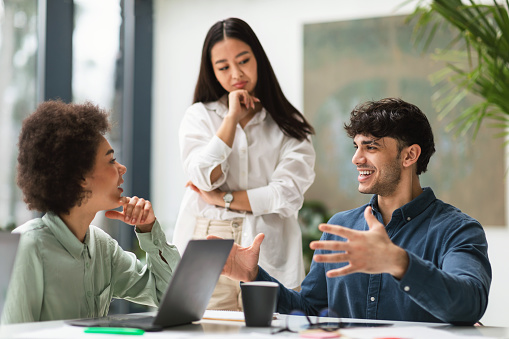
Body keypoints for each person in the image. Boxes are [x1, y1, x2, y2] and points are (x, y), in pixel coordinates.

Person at [210, 98, 492, 325]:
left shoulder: (457, 230)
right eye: (356, 147)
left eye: (371, 147)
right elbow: (310, 309)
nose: (357, 159)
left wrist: (399, 263)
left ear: (409, 155)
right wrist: (253, 276)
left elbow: (469, 304)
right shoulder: (341, 225)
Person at [172, 17, 316, 311]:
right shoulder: (199, 116)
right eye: (223, 67)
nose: (236, 73)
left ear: (258, 59)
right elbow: (204, 178)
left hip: (268, 246)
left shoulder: (290, 125)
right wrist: (230, 120)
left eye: (243, 60)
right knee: (204, 329)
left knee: (274, 329)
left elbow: (287, 195)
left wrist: (223, 199)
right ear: (212, 72)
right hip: (209, 239)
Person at [1, 101, 181, 324]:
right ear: (80, 177)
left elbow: (168, 296)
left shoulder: (102, 247)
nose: (121, 168)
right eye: (111, 160)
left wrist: (149, 230)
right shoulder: (28, 249)